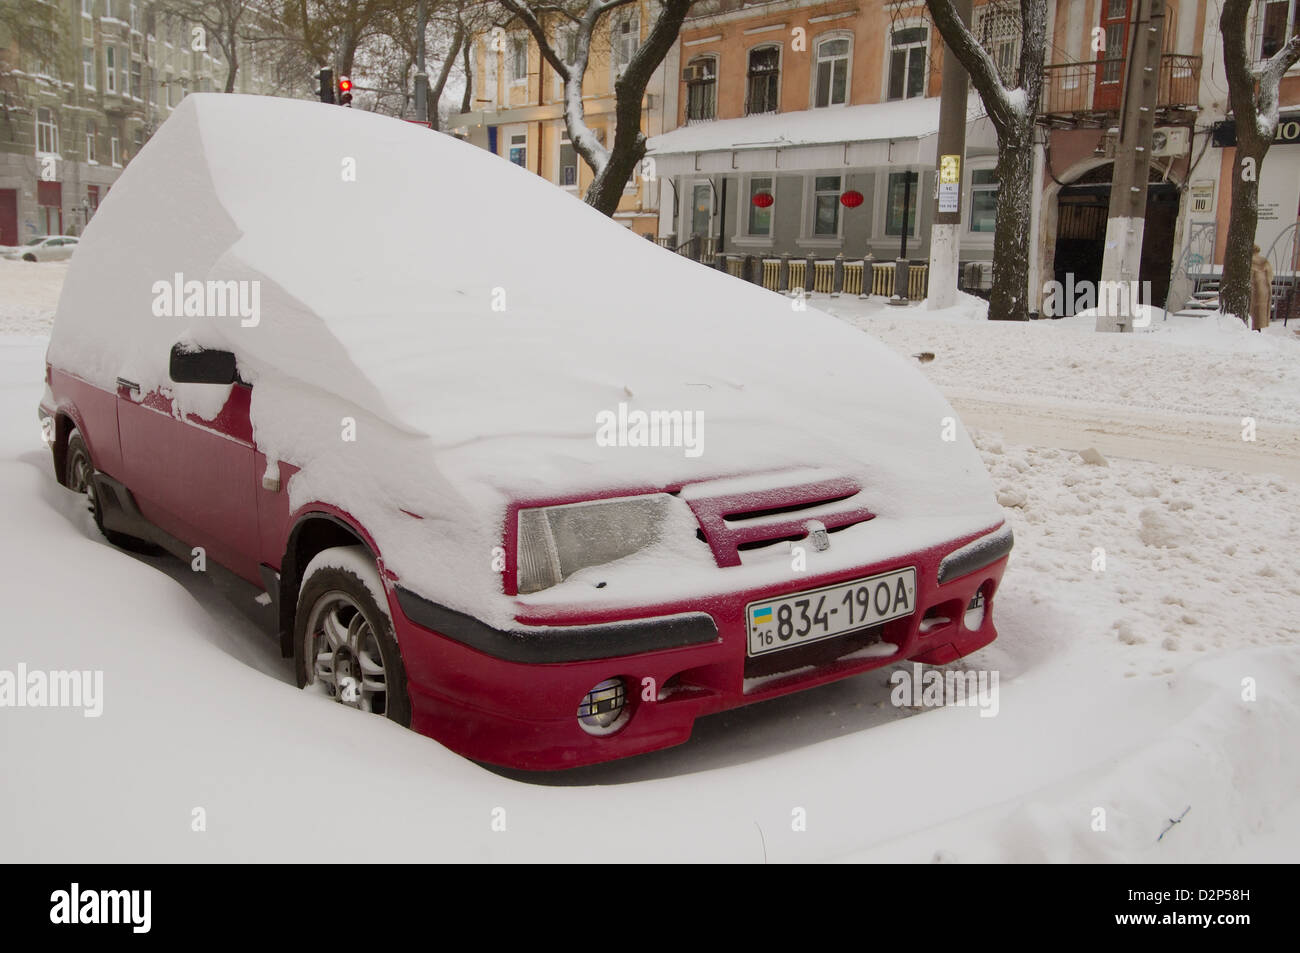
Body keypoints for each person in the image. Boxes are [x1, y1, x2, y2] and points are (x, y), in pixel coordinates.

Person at [1249, 245, 1274, 331]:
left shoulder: (1248, 261)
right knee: (1259, 316)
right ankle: (1257, 330)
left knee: (1251, 313)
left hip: (1253, 290)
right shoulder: (1264, 261)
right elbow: (1271, 276)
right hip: (1264, 292)